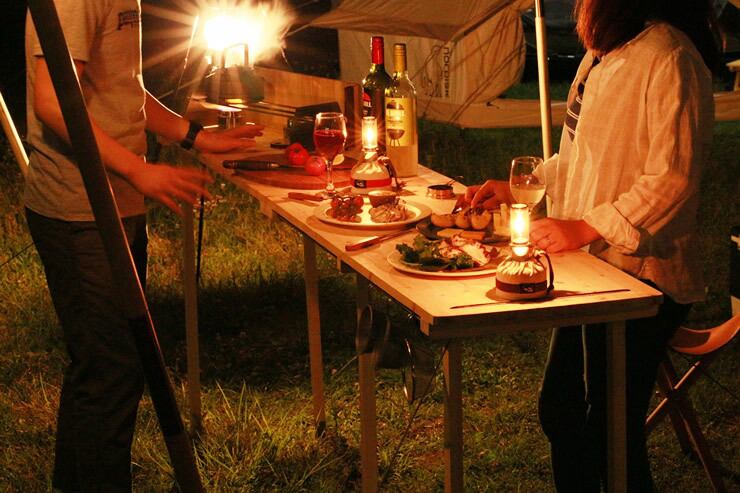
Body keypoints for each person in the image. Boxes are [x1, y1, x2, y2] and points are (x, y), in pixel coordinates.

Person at [466, 0, 719, 490]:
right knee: (562, 410)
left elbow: (673, 179)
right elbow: (582, 157)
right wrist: (523, 187)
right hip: (595, 267)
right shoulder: (601, 54)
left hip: (643, 276)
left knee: (609, 430)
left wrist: (586, 227)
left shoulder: (670, 57)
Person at [25, 1, 264, 491]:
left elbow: (122, 84)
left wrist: (193, 136)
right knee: (112, 371)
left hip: (112, 203)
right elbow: (52, 101)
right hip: (80, 209)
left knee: (101, 368)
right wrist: (138, 170)